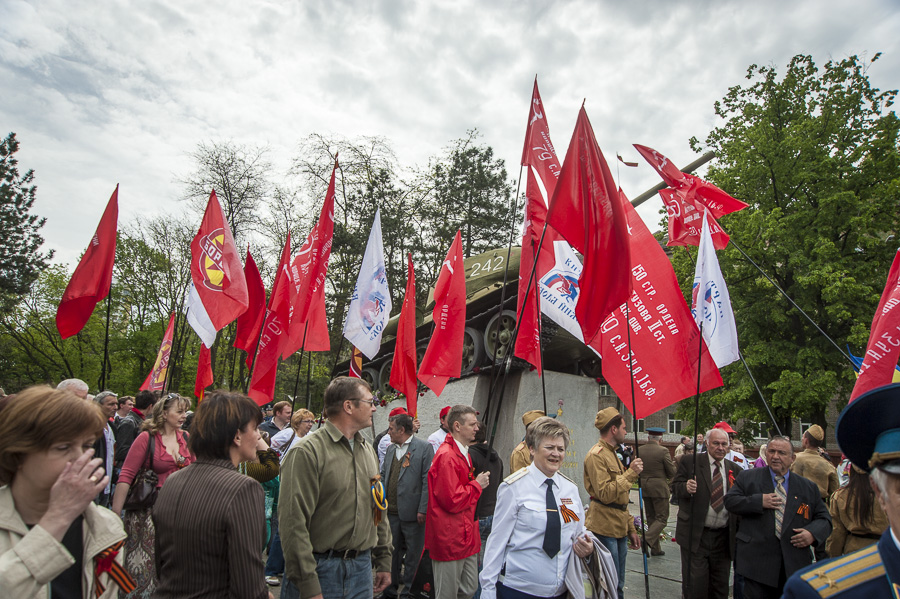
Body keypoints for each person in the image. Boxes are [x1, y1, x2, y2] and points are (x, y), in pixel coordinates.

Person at [0, 386, 134, 598]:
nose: (79, 459)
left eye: (87, 446)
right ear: (17, 452)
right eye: (62, 448)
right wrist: (57, 519)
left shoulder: (104, 526)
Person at [783, 383, 900, 598]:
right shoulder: (820, 592)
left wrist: (830, 555)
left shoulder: (842, 494)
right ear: (880, 493)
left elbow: (837, 533)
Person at [150, 390, 270, 598]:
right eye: (255, 427)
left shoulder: (173, 480)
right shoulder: (244, 488)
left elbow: (162, 564)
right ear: (237, 436)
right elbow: (248, 584)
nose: (259, 435)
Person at [278, 377, 391, 599]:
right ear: (349, 406)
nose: (375, 407)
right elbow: (293, 523)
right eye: (370, 401)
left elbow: (378, 507)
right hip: (319, 570)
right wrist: (308, 584)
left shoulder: (368, 450)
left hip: (361, 570)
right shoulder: (307, 452)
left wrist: (384, 558)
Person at [480, 417, 593, 599]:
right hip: (518, 590)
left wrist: (587, 547)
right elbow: (496, 542)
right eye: (549, 447)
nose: (556, 454)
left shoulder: (569, 489)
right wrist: (487, 589)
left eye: (560, 449)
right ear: (532, 449)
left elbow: (577, 532)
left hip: (560, 591)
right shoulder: (513, 488)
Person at [722, 436, 831, 599]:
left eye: (781, 452)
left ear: (792, 458)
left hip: (793, 565)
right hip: (755, 565)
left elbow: (825, 519)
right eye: (771, 451)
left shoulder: (808, 487)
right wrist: (758, 501)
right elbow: (730, 501)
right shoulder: (748, 477)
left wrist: (812, 534)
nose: (775, 456)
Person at [111, 393, 194, 598]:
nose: (184, 416)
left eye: (185, 411)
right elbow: (127, 475)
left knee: (175, 563)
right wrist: (114, 516)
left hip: (180, 510)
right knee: (145, 566)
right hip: (148, 511)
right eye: (179, 411)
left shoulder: (186, 438)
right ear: (164, 413)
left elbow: (197, 470)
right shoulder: (146, 437)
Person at [426, 404, 490, 599]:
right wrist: (477, 485)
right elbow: (452, 500)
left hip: (465, 535)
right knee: (447, 593)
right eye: (472, 424)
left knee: (469, 588)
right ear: (457, 426)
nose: (477, 428)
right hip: (450, 537)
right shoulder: (447, 456)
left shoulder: (462, 453)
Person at [671, 428, 742, 599]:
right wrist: (685, 487)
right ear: (708, 444)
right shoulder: (691, 462)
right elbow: (674, 487)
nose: (720, 447)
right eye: (716, 443)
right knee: (696, 586)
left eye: (724, 444)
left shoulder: (735, 469)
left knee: (720, 586)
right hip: (696, 535)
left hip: (723, 537)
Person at [583, 407, 642, 599]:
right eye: (624, 427)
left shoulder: (613, 453)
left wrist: (631, 529)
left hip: (618, 525)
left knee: (618, 583)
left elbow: (622, 500)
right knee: (609, 584)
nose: (626, 431)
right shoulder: (597, 455)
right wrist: (631, 473)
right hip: (604, 526)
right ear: (614, 430)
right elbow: (606, 494)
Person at [381, 412, 434, 599]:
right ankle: (389, 590)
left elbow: (428, 480)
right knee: (391, 553)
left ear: (402, 430)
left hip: (413, 514)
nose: (388, 433)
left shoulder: (424, 448)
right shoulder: (389, 450)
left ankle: (410, 591)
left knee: (413, 555)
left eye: (391, 429)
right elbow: (383, 474)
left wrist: (422, 509)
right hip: (391, 512)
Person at [470, 421, 503, 599]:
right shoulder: (497, 458)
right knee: (488, 563)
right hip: (493, 514)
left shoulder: (470, 456)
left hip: (478, 515)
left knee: (475, 566)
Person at [825, 466, 889, 557]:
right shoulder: (890, 495)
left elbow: (836, 534)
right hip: (885, 551)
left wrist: (833, 557)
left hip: (854, 553)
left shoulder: (841, 496)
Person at [640, 427, 676, 556]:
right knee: (661, 518)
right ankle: (646, 539)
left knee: (651, 517)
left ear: (648, 438)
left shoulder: (640, 450)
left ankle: (655, 549)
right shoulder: (663, 450)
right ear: (660, 439)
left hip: (644, 487)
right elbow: (671, 472)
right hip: (659, 488)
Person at [790, 425, 839, 503]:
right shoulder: (828, 465)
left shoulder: (794, 459)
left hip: (799, 506)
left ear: (806, 440)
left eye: (803, 437)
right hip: (821, 507)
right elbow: (835, 493)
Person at [114, 390, 156, 475]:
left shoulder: (139, 420)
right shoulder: (129, 422)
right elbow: (121, 451)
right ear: (150, 406)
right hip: (124, 470)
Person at [92, 391, 118, 508]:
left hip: (107, 484)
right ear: (98, 405)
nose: (115, 407)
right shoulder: (91, 427)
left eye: (116, 404)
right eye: (111, 404)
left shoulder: (112, 427)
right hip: (94, 483)